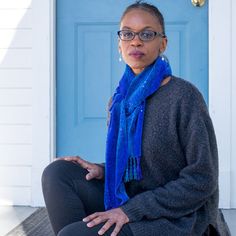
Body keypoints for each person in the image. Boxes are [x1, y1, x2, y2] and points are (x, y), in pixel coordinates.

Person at [42, 1, 231, 236]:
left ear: (163, 44)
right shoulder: (120, 102)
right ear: (119, 45)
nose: (136, 41)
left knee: (74, 235)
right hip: (133, 201)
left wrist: (130, 211)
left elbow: (203, 179)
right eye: (127, 33)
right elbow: (140, 165)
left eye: (147, 34)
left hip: (179, 217)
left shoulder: (184, 96)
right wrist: (104, 170)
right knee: (58, 173)